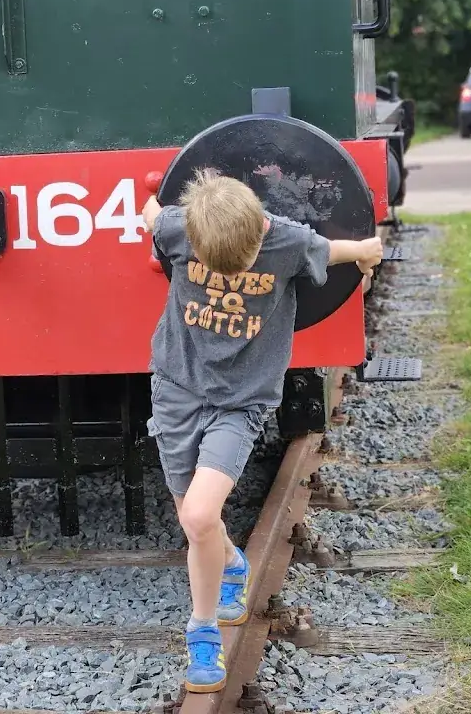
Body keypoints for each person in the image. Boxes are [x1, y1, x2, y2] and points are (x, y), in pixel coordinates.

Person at [141, 168, 383, 694]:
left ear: (259, 234)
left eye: (246, 261)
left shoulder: (288, 240)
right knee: (195, 521)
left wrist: (369, 248)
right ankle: (230, 561)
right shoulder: (181, 228)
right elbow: (153, 218)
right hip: (178, 387)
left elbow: (336, 249)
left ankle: (201, 629)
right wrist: (150, 209)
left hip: (243, 398)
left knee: (200, 514)